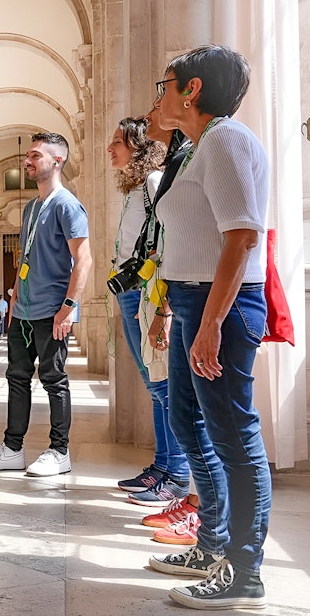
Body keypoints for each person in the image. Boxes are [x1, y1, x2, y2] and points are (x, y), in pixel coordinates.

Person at [145, 45, 271, 611]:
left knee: (234, 437)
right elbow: (194, 236)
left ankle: (243, 570)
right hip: (196, 301)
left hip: (223, 305)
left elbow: (242, 236)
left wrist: (212, 322)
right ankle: (213, 542)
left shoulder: (224, 139)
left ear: (191, 89)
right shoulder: (202, 146)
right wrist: (174, 306)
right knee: (188, 420)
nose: (159, 94)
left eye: (164, 83)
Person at [0, 132, 90, 478]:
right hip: (22, 311)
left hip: (52, 311)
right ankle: (12, 449)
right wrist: (14, 300)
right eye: (29, 156)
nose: (28, 161)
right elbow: (27, 258)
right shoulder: (31, 207)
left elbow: (83, 259)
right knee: (17, 379)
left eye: (36, 156)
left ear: (57, 161)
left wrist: (68, 307)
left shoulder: (67, 204)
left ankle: (59, 451)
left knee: (54, 380)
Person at [105, 115, 192, 511]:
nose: (111, 149)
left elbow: (168, 239)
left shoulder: (154, 182)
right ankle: (161, 466)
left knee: (163, 386)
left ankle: (176, 476)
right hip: (130, 290)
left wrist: (162, 307)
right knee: (154, 387)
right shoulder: (135, 187)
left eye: (118, 143)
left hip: (145, 292)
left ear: (139, 148)